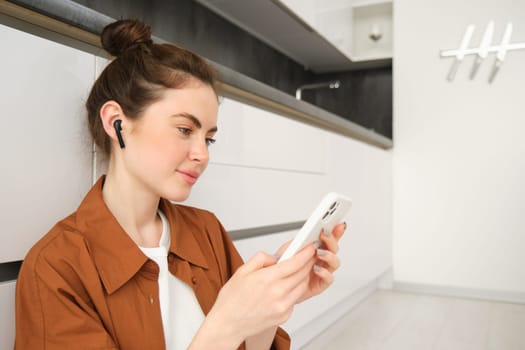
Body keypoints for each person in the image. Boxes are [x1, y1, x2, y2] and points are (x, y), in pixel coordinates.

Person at [15, 19, 346, 350]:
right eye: (185, 130)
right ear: (117, 123)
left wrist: (270, 307)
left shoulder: (207, 231)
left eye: (209, 139)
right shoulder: (56, 268)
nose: (202, 154)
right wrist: (225, 326)